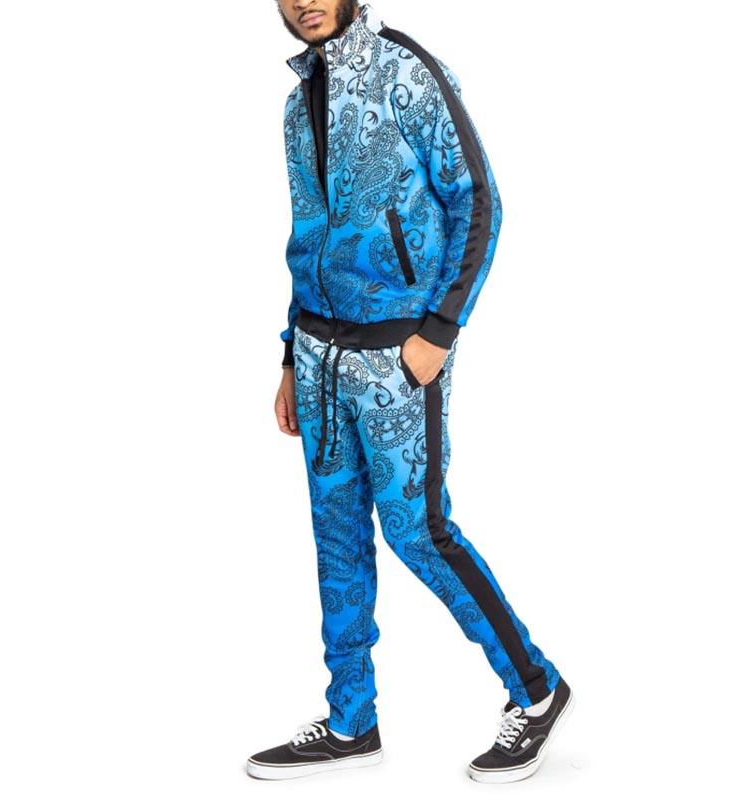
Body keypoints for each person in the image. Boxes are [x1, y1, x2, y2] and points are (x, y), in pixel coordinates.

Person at [247, 1, 574, 783]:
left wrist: (440, 328)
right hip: (319, 355)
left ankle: (536, 688)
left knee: (418, 530)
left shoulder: (408, 71)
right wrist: (291, 354)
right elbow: (307, 237)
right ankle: (351, 720)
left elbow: (478, 201)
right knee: (336, 537)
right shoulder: (296, 103)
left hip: (399, 352)